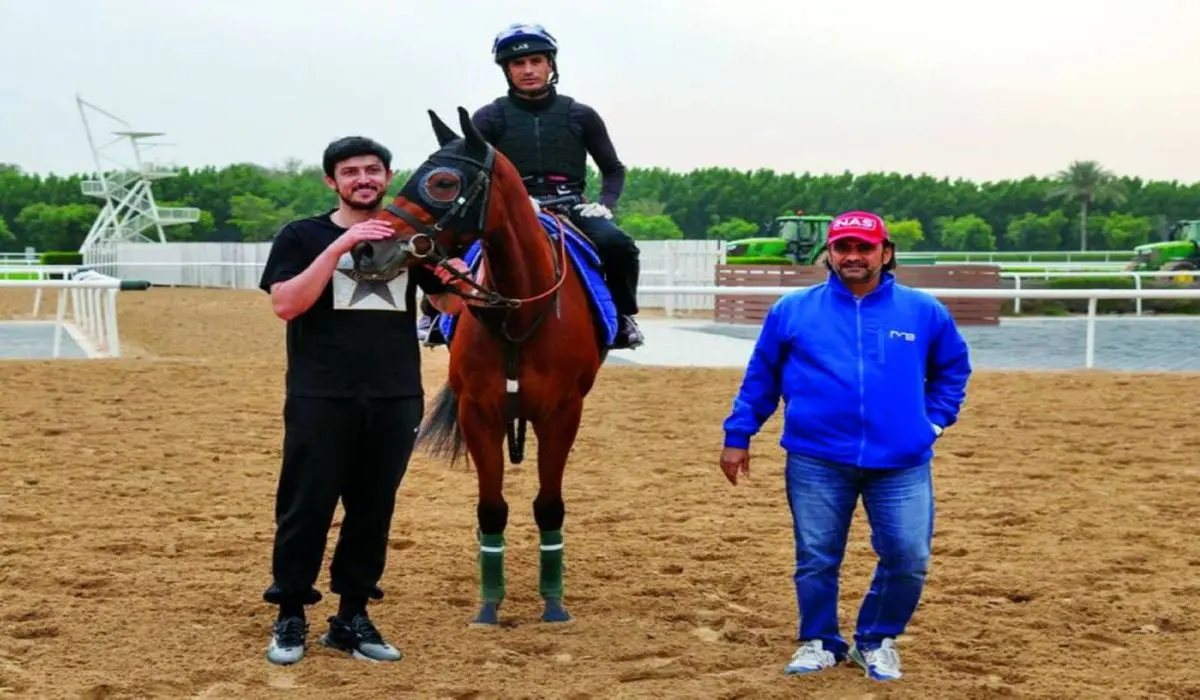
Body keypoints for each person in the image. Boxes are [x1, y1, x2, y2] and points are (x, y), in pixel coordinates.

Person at [718, 211, 972, 682]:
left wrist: (932, 424)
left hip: (902, 461)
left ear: (886, 253)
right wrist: (739, 434)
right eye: (842, 248)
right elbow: (761, 378)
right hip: (816, 457)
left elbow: (953, 371)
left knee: (909, 557)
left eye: (864, 247)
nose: (853, 256)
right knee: (816, 557)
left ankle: (876, 640)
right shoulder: (792, 310)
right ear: (829, 254)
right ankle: (820, 641)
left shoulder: (923, 310)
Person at [257, 135, 472, 666]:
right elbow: (287, 304)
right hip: (320, 394)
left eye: (372, 170)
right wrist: (338, 247)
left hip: (395, 394)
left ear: (387, 176)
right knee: (306, 507)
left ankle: (351, 616)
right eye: (350, 171)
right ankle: (291, 613)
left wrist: (462, 280)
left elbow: (446, 302)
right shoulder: (301, 235)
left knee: (373, 511)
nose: (362, 179)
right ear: (332, 181)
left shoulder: (411, 237)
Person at [417, 22, 645, 350]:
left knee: (619, 246)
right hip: (510, 206)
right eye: (517, 64)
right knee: (452, 239)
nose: (528, 70)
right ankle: (434, 313)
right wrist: (517, 199)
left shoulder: (582, 115)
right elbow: (473, 171)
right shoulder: (489, 117)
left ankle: (624, 316)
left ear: (550, 65)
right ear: (507, 71)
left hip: (571, 206)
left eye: (536, 61)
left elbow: (613, 169)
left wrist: (606, 204)